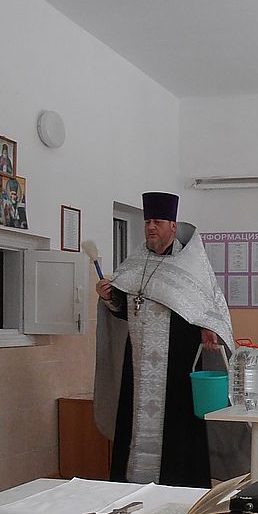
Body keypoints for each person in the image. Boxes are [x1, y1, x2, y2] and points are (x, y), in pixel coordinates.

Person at [93, 191, 247, 487]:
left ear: (173, 226)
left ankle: (179, 489)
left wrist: (208, 327)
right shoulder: (134, 263)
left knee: (179, 429)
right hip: (138, 367)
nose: (151, 227)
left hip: (177, 365)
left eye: (158, 222)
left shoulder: (190, 265)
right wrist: (109, 298)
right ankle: (130, 488)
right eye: (148, 222)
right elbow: (125, 309)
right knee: (133, 424)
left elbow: (209, 309)